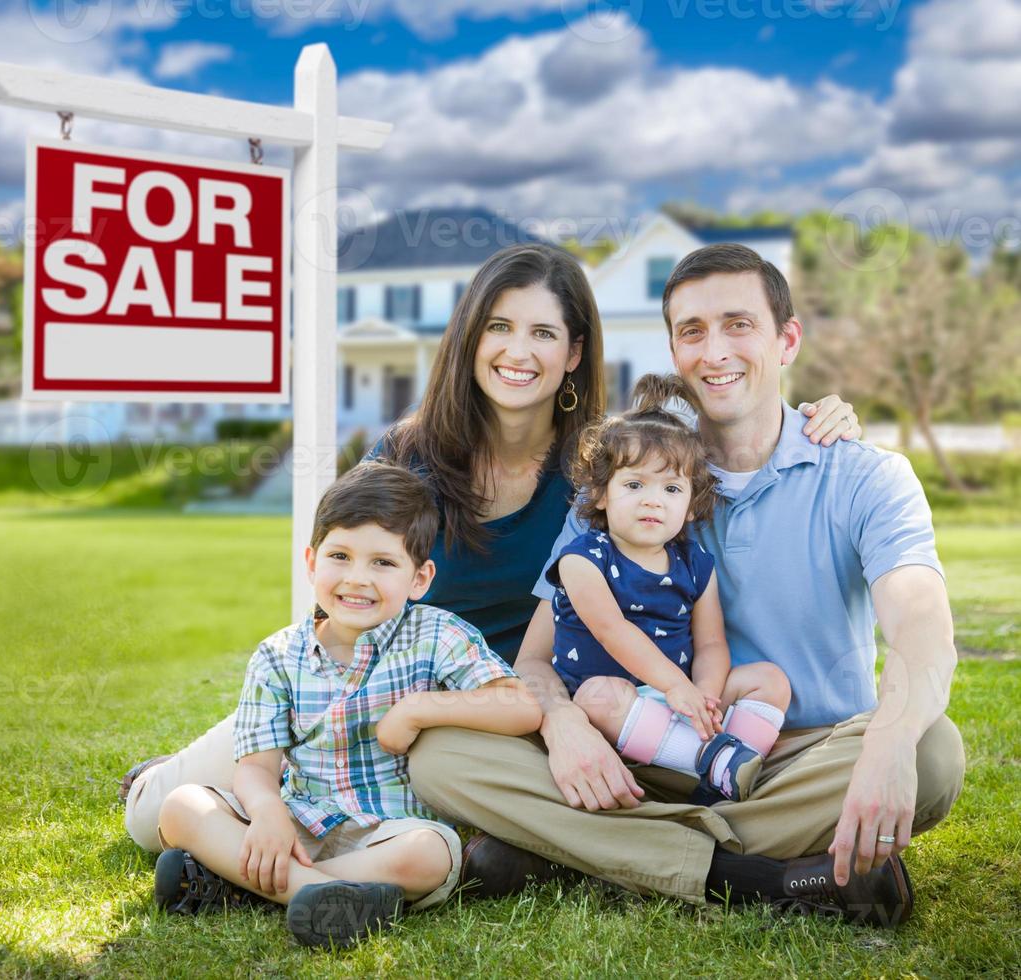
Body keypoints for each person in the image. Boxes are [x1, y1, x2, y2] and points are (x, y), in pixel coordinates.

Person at [121, 242, 861, 857]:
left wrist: (822, 416)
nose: (517, 352)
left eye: (542, 334)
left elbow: (717, 436)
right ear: (470, 337)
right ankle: (179, 781)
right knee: (152, 817)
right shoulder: (407, 455)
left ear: (573, 353)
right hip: (385, 691)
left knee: (432, 807)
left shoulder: (605, 467)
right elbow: (345, 590)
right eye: (498, 327)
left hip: (515, 713)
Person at [406, 243, 965, 927]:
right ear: (673, 349)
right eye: (691, 331)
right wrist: (561, 724)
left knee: (930, 751)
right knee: (438, 754)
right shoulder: (631, 478)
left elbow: (921, 625)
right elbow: (533, 657)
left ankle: (580, 849)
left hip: (788, 760)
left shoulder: (864, 476)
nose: (714, 350)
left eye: (738, 324)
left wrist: (885, 741)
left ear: (786, 339)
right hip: (636, 748)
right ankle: (754, 875)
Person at [153, 462, 541, 948]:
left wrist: (419, 708)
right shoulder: (278, 655)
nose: (358, 579)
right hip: (299, 821)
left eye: (383, 563)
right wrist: (269, 813)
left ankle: (242, 886)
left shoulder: (437, 633)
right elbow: (255, 767)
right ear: (312, 562)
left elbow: (520, 705)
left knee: (433, 854)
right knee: (182, 806)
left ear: (419, 578)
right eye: (341, 556)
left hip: (387, 832)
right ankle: (326, 895)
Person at [549, 373, 790, 806]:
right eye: (635, 484)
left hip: (679, 699)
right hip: (616, 709)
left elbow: (712, 642)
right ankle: (712, 762)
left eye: (672, 488)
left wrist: (706, 696)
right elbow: (613, 631)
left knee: (769, 680)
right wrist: (677, 687)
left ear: (691, 500)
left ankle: (720, 768)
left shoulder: (694, 563)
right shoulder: (583, 558)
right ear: (602, 494)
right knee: (596, 696)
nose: (653, 500)